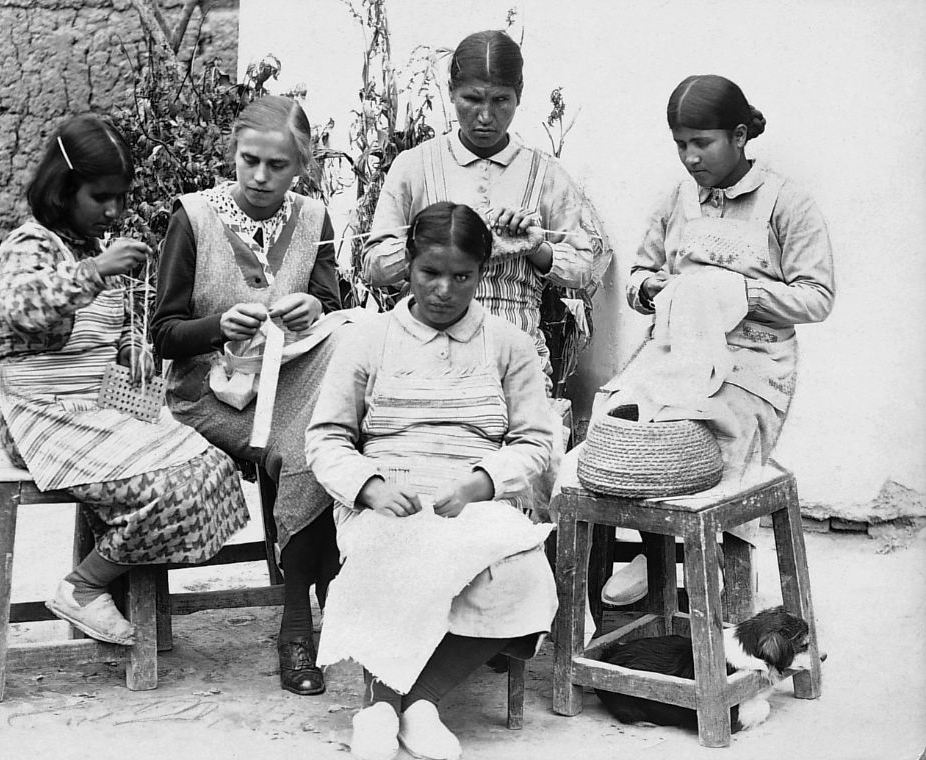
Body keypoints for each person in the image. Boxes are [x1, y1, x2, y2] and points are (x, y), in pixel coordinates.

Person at [305, 202, 558, 760]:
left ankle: (416, 702)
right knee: (390, 556)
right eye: (430, 273)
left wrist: (481, 482)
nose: (444, 289)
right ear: (408, 269)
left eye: (461, 277)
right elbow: (326, 437)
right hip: (389, 496)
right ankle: (378, 706)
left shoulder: (506, 342)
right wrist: (369, 488)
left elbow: (537, 440)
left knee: (522, 574)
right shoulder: (369, 339)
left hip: (473, 499)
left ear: (482, 273)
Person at [0, 115, 249, 646]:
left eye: (120, 198)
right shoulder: (29, 245)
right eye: (99, 196)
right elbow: (21, 310)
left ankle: (119, 584)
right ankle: (85, 586)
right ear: (63, 190)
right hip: (40, 413)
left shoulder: (93, 248)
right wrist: (94, 272)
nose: (112, 210)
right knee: (172, 486)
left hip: (98, 403)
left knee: (212, 469)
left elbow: (118, 327)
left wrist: (134, 350)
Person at [598, 74, 835, 606]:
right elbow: (639, 274)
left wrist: (738, 292)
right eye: (680, 144)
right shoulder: (676, 199)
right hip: (674, 348)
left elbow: (817, 298)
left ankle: (725, 599)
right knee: (618, 417)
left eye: (702, 143)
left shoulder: (786, 203)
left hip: (753, 363)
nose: (690, 157)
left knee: (697, 431)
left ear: (741, 135)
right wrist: (655, 288)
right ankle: (652, 551)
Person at [151, 95, 345, 696]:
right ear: (231, 155)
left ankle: (328, 597)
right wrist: (217, 327)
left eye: (278, 166)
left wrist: (316, 304)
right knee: (304, 450)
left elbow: (333, 311)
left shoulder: (315, 219)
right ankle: (301, 625)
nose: (261, 177)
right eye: (249, 161)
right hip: (210, 394)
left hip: (292, 379)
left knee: (320, 438)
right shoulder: (194, 218)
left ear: (301, 167)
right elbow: (163, 336)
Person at [361, 29, 610, 390]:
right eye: (472, 99)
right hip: (423, 352)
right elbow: (374, 266)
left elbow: (584, 270)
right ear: (451, 92)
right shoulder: (414, 166)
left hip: (513, 357)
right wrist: (441, 238)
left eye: (500, 100)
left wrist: (535, 247)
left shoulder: (545, 173)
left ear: (519, 94)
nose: (485, 116)